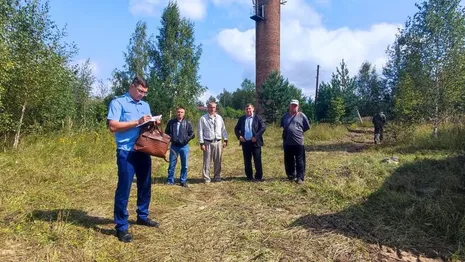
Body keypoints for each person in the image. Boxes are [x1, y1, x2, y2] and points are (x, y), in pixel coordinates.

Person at [107, 76, 160, 243]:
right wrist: (136, 122)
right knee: (124, 188)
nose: (142, 95)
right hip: (126, 151)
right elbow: (113, 126)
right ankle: (121, 226)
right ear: (132, 86)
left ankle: (142, 215)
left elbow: (146, 127)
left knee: (145, 185)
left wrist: (153, 122)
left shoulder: (145, 105)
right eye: (140, 91)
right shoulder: (118, 102)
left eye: (144, 92)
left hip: (143, 149)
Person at [280, 99, 310, 184]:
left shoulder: (302, 116)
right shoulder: (285, 116)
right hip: (287, 142)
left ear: (298, 106)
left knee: (300, 160)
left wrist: (298, 132)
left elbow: (306, 127)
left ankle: (300, 177)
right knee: (288, 160)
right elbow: (283, 126)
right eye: (292, 105)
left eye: (295, 106)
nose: (294, 107)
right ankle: (291, 175)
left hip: (298, 142)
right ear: (289, 106)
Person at [234, 103, 266, 181]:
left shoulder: (258, 118)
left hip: (255, 142)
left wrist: (256, 137)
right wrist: (239, 136)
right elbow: (236, 129)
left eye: (249, 108)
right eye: (246, 109)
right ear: (245, 110)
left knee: (257, 160)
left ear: (253, 109)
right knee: (247, 160)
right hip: (245, 142)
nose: (248, 110)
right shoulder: (242, 119)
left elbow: (263, 127)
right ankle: (249, 176)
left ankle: (258, 177)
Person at [198, 102, 228, 183]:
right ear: (208, 108)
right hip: (207, 142)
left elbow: (223, 129)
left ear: (216, 108)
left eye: (214, 107)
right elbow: (200, 131)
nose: (212, 109)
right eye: (210, 107)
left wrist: (225, 140)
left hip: (218, 142)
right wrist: (201, 143)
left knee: (218, 160)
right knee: (207, 161)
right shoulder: (203, 118)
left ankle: (217, 176)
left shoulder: (219, 118)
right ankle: (206, 178)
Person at [165, 106, 195, 187]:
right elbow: (166, 133)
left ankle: (183, 180)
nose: (180, 113)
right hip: (174, 146)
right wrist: (172, 139)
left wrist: (186, 140)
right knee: (172, 164)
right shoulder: (171, 122)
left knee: (184, 165)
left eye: (181, 112)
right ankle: (170, 180)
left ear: (184, 113)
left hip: (184, 146)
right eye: (178, 112)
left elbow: (192, 134)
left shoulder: (187, 122)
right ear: (176, 113)